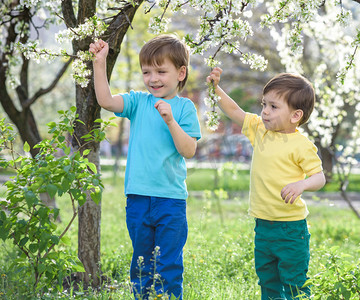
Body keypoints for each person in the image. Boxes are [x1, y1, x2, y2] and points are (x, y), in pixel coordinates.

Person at [89, 34, 201, 300]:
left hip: (170, 201)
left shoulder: (185, 108)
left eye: (161, 71)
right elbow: (105, 101)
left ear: (181, 73)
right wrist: (99, 63)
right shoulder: (139, 102)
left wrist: (170, 121)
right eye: (147, 72)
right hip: (138, 198)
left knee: (168, 265)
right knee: (141, 265)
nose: (153, 78)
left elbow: (188, 150)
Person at [207, 67, 326, 300]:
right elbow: (234, 110)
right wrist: (215, 88)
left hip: (291, 229)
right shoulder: (260, 130)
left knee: (294, 283)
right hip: (263, 225)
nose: (265, 112)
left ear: (295, 116)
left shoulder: (301, 145)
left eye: (273, 107)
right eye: (264, 104)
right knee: (267, 280)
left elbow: (319, 177)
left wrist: (301, 185)